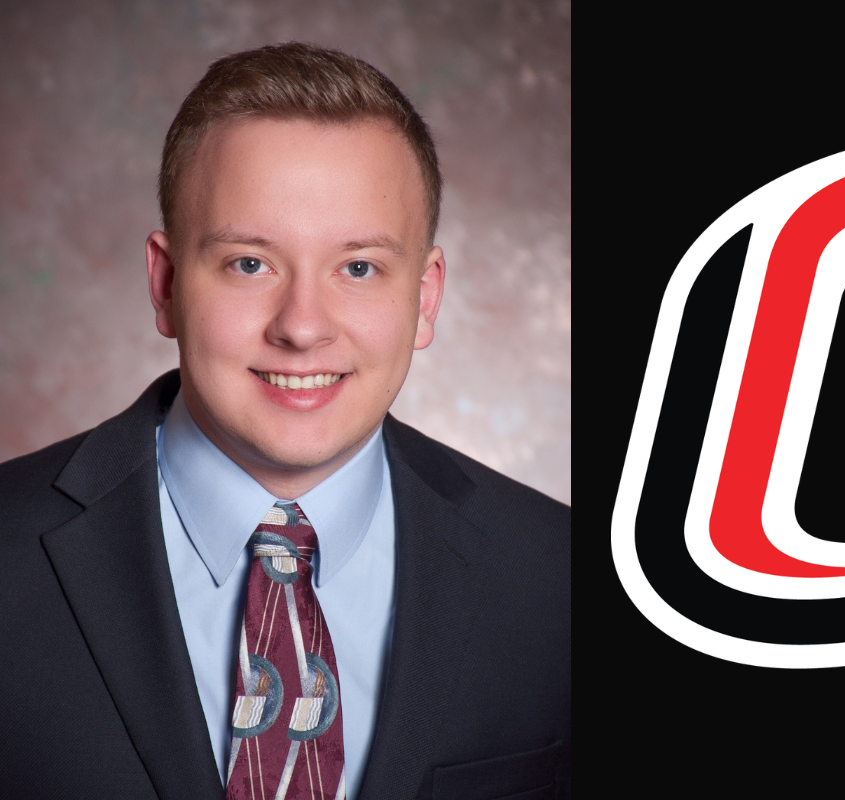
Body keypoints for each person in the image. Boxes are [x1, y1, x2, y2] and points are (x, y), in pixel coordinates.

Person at [0, 43, 569, 800]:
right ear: (165, 285)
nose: (302, 328)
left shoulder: (557, 577)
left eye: (358, 267)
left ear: (426, 297)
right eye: (249, 264)